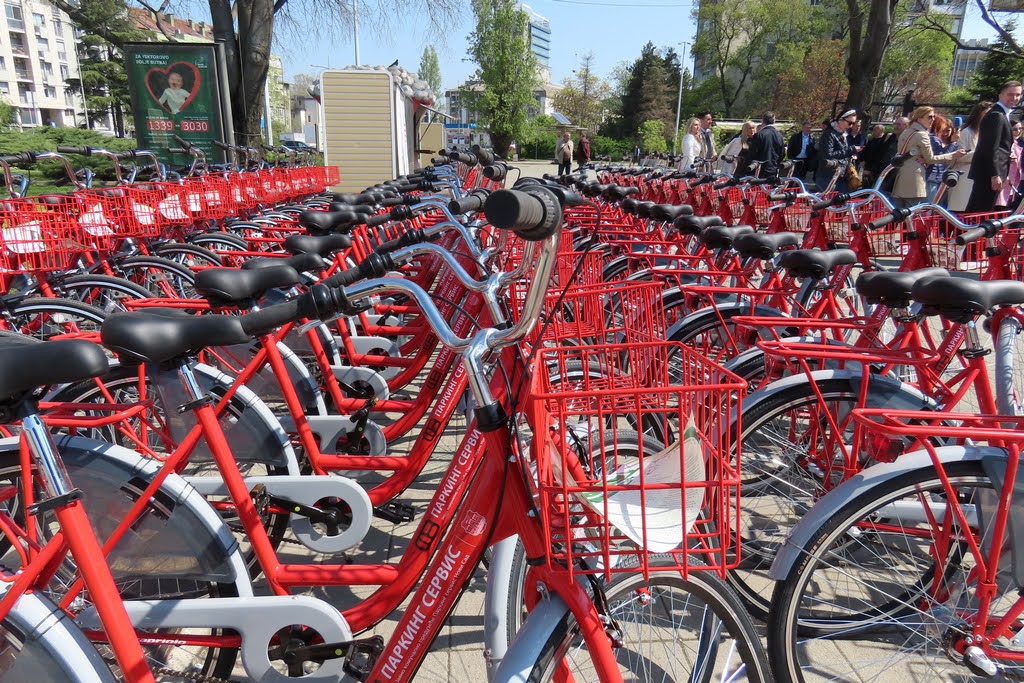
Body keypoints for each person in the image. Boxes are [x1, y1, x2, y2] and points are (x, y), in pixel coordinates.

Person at [966, 80, 1023, 212]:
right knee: (980, 211)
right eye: (1010, 94)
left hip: (993, 173)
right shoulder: (996, 115)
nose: (1014, 98)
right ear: (1000, 95)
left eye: (1017, 95)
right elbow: (990, 147)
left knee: (979, 210)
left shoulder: (1002, 114)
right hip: (988, 174)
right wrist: (995, 174)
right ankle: (971, 232)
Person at [892, 106, 965, 208]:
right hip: (915, 180)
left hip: (901, 177)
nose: (933, 120)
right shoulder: (922, 134)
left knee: (899, 216)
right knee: (914, 216)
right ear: (919, 118)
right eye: (930, 117)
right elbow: (931, 159)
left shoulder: (906, 132)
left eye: (933, 117)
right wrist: (953, 155)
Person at [947, 102, 992, 212]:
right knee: (959, 211)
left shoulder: (987, 132)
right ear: (978, 114)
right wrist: (982, 153)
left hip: (979, 177)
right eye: (986, 113)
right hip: (964, 176)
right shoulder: (966, 131)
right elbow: (958, 155)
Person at [815, 109, 857, 192]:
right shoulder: (829, 134)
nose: (851, 126)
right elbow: (828, 155)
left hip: (841, 176)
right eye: (850, 123)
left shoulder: (842, 134)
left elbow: (841, 152)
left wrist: (850, 156)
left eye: (853, 123)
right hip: (827, 177)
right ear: (841, 119)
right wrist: (850, 150)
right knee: (825, 203)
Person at [925, 113, 959, 202]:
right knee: (929, 206)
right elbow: (941, 158)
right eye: (942, 129)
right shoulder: (934, 139)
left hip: (939, 179)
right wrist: (953, 143)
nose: (944, 133)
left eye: (947, 130)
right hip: (931, 177)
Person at [747, 111, 785, 179]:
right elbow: (782, 153)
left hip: (759, 169)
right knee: (770, 189)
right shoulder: (779, 135)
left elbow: (752, 153)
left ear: (763, 121)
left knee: (759, 189)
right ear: (774, 121)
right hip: (773, 168)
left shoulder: (759, 135)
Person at [1000, 119, 1023, 208]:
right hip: (1007, 177)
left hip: (1018, 177)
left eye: (1021, 128)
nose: (1018, 131)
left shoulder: (1021, 142)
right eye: (1015, 129)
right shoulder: (1005, 142)